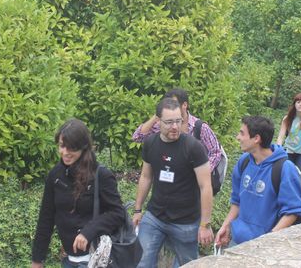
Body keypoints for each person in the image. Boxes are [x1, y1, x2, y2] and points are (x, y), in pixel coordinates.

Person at [31, 119, 125, 268]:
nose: (65, 152)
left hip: (95, 258)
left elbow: (118, 213)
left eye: (72, 148)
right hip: (69, 259)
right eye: (62, 146)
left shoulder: (101, 175)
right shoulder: (55, 175)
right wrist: (37, 260)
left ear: (83, 148)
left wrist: (89, 231)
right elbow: (46, 219)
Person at [132, 97, 213, 267]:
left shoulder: (193, 147)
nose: (175, 126)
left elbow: (205, 186)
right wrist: (138, 209)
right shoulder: (151, 143)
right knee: (141, 262)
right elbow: (146, 176)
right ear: (158, 121)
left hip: (185, 222)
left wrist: (205, 224)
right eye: (169, 122)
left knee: (188, 265)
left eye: (178, 121)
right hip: (155, 217)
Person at [215, 116, 301, 247]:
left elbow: (292, 211)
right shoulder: (244, 162)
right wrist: (226, 226)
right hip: (237, 240)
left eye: (242, 133)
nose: (238, 137)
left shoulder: (284, 168)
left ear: (256, 138)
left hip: (265, 246)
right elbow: (236, 201)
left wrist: (267, 240)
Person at [132, 88, 222, 174]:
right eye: (168, 105)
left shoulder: (199, 127)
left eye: (175, 104)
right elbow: (138, 137)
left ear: (185, 105)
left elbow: (216, 152)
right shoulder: (164, 125)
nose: (171, 108)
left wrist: (201, 174)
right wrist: (157, 115)